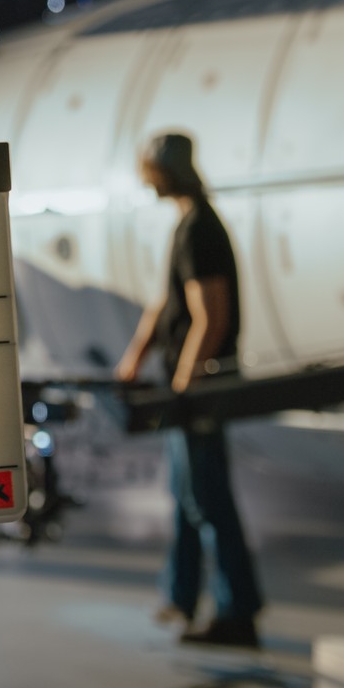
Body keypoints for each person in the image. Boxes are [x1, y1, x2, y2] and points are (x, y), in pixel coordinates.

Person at [115, 132, 264, 648]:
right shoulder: (189, 224)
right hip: (193, 382)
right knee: (186, 495)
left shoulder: (200, 228)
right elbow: (170, 300)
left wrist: (182, 387)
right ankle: (181, 596)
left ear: (162, 171)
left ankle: (237, 614)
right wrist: (135, 355)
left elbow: (211, 317)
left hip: (202, 385)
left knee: (208, 498)